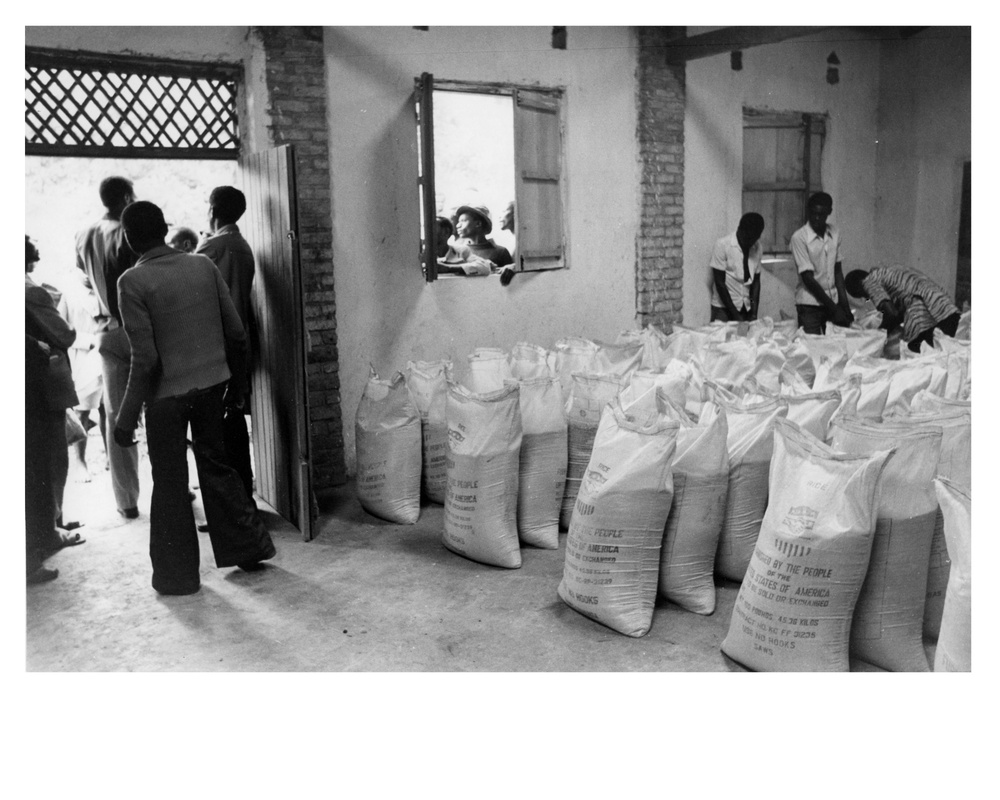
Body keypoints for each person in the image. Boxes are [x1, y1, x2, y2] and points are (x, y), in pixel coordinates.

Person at [114, 201, 275, 596]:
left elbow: (146, 358)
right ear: (165, 229)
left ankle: (178, 577)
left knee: (169, 482)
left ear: (131, 239)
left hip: (166, 400)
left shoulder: (132, 283)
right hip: (211, 388)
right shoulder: (202, 265)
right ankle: (247, 549)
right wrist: (237, 385)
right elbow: (236, 333)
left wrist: (125, 417)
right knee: (218, 466)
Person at [75, 176, 141, 519]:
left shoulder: (84, 234)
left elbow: (85, 279)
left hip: (104, 332)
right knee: (159, 407)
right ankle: (171, 488)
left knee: (116, 415)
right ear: (127, 196)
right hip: (135, 327)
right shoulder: (128, 232)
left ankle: (126, 501)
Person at [25, 236, 86, 578]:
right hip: (40, 387)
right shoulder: (30, 290)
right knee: (46, 460)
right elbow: (66, 335)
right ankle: (44, 535)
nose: (35, 241)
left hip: (30, 389)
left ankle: (51, 523)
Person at [195, 186, 256, 502]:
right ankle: (242, 503)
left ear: (212, 211)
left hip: (214, 348)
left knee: (217, 437)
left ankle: (231, 508)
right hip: (237, 344)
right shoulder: (241, 246)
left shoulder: (213, 249)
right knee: (232, 428)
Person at [58, 269, 106, 482]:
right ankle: (80, 462)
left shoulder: (104, 290)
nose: (88, 274)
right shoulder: (69, 294)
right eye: (83, 270)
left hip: (106, 355)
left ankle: (110, 456)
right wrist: (88, 341)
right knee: (82, 411)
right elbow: (61, 331)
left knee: (108, 408)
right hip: (83, 357)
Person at [845, 266, 961, 353]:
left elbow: (892, 315)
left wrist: (875, 336)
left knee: (915, 356)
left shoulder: (869, 281)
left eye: (862, 295)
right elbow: (899, 313)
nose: (866, 298)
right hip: (947, 311)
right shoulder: (890, 272)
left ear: (859, 285)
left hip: (925, 316)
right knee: (939, 358)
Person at [790, 192, 853, 334]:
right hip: (809, 304)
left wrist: (845, 306)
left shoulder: (835, 233)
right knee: (811, 348)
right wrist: (834, 309)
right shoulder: (799, 238)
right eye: (813, 214)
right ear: (808, 212)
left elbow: (838, 272)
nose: (817, 218)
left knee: (835, 348)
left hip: (832, 302)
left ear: (829, 212)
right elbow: (808, 279)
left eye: (821, 214)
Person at [709, 212, 765, 322]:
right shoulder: (722, 245)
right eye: (748, 238)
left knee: (744, 339)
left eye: (754, 239)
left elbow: (756, 283)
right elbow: (720, 283)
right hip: (723, 309)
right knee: (722, 338)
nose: (751, 243)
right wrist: (735, 315)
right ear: (740, 230)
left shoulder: (757, 247)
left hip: (745, 308)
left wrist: (753, 313)